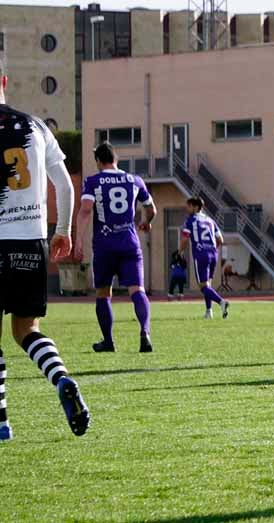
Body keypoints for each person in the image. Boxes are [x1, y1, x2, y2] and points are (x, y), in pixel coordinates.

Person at [0, 65, 89, 441]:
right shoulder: (36, 126)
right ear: (4, 81)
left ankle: (2, 423)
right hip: (30, 241)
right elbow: (64, 185)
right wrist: (63, 230)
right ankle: (61, 378)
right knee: (27, 329)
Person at [73, 143, 157, 353]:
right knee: (137, 290)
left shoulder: (93, 181)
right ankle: (145, 332)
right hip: (129, 243)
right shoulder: (134, 180)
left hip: (104, 245)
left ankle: (109, 341)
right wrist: (146, 222)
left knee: (103, 293)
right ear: (116, 159)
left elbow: (85, 210)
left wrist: (79, 240)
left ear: (99, 161)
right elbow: (151, 208)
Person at [179, 197, 230, 319]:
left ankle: (221, 302)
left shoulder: (190, 220)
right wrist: (212, 249)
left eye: (189, 206)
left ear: (195, 207)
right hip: (213, 254)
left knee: (203, 286)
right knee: (208, 285)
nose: (187, 208)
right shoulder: (210, 220)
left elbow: (185, 238)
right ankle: (209, 312)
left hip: (201, 255)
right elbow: (220, 240)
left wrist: (180, 251)